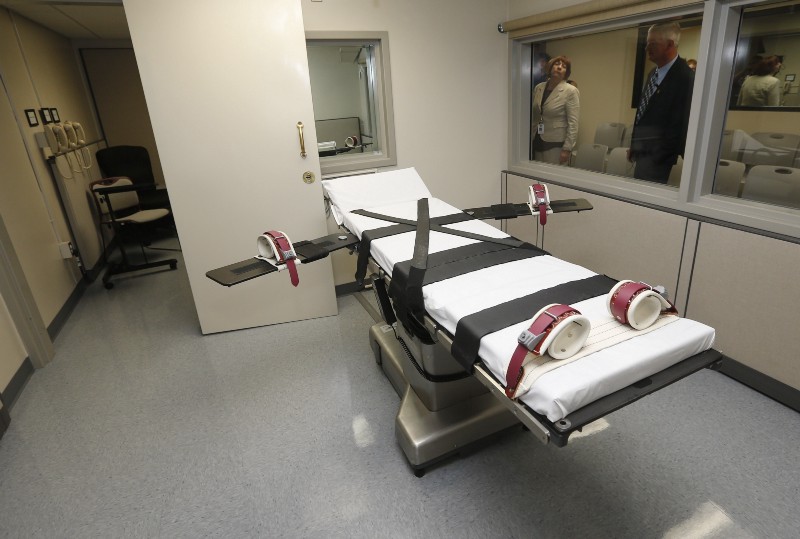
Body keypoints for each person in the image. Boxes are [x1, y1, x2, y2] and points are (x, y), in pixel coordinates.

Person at [628, 22, 694, 184]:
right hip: (642, 151)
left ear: (670, 45)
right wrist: (635, 145)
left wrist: (658, 156)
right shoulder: (653, 73)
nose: (647, 48)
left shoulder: (685, 78)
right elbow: (643, 113)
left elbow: (680, 124)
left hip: (658, 158)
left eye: (653, 44)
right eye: (647, 43)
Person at [531, 56, 580, 165]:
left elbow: (573, 123)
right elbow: (535, 114)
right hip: (537, 138)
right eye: (557, 64)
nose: (559, 67)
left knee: (551, 178)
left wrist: (567, 149)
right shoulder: (539, 87)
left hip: (556, 144)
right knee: (538, 176)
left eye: (564, 66)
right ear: (550, 66)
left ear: (566, 72)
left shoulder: (570, 91)